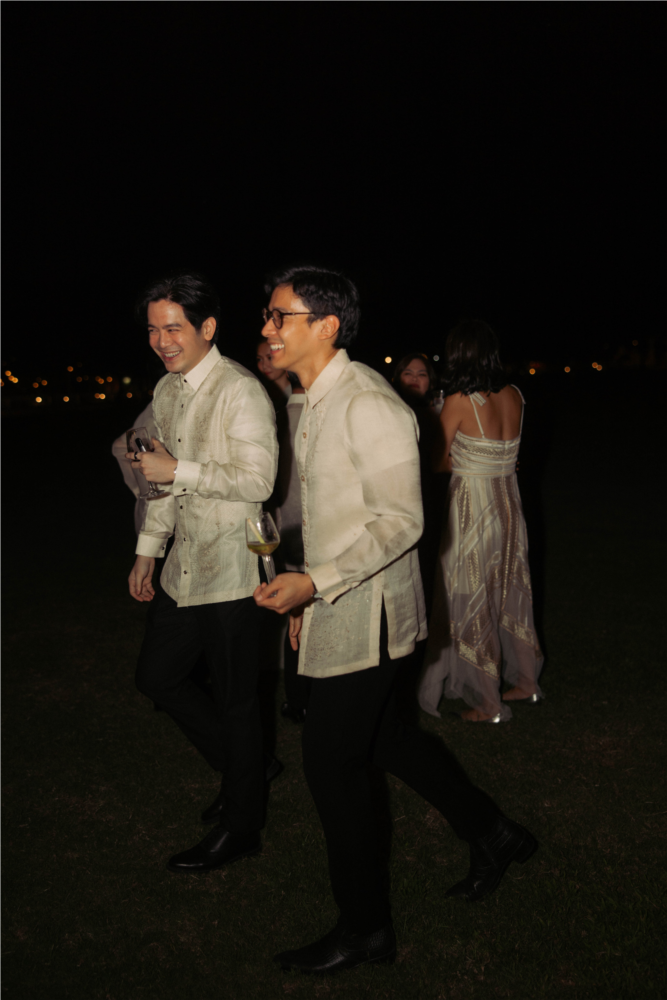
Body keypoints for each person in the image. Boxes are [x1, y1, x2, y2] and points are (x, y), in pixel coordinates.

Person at [254, 266, 537, 974]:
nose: (265, 328)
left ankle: (365, 929)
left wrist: (313, 582)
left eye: (279, 315)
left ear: (325, 325)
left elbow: (401, 521)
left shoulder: (367, 404)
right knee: (386, 742)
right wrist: (305, 594)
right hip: (339, 605)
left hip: (370, 618)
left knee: (331, 766)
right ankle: (493, 831)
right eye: (266, 314)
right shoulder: (314, 400)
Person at [128, 272, 279, 873]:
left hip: (236, 566)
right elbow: (160, 478)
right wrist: (147, 548)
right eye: (152, 330)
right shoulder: (167, 391)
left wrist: (180, 468)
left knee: (239, 701)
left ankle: (243, 826)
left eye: (173, 328)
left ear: (206, 328)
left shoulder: (241, 390)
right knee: (157, 677)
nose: (162, 341)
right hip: (182, 566)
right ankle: (248, 771)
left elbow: (259, 482)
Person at [419, 320, 544, 723]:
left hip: (473, 507)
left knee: (469, 590)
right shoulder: (516, 395)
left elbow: (438, 462)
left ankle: (489, 703)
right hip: (508, 504)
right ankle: (527, 682)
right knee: (511, 587)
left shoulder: (459, 399)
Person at [256, 338, 292, 407]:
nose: (264, 366)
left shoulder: (300, 391)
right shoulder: (261, 394)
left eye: (270, 358)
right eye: (259, 359)